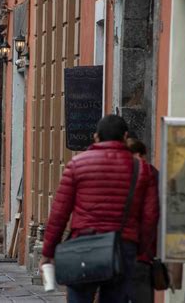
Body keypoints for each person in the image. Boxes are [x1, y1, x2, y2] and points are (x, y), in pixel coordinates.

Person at [40, 115, 159, 303]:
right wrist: (138, 249)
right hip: (123, 246)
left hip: (83, 246)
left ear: (96, 137)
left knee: (79, 297)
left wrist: (48, 252)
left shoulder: (77, 165)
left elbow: (59, 213)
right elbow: (150, 217)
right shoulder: (142, 169)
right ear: (125, 136)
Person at [127, 137, 159, 303]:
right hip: (142, 253)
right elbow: (151, 215)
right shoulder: (151, 173)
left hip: (111, 250)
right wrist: (144, 248)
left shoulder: (109, 172)